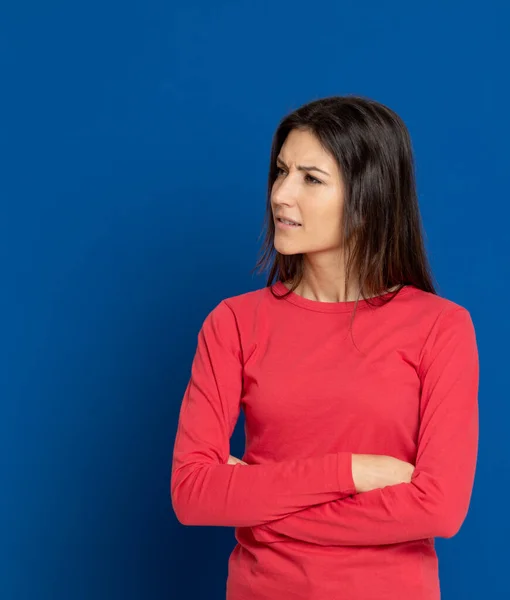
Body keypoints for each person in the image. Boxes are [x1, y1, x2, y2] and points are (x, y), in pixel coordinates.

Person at [170, 95, 479, 600]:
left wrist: (262, 511)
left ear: (370, 195)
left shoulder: (440, 328)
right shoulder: (234, 323)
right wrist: (354, 471)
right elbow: (193, 494)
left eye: (311, 179)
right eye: (280, 171)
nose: (281, 195)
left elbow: (439, 508)